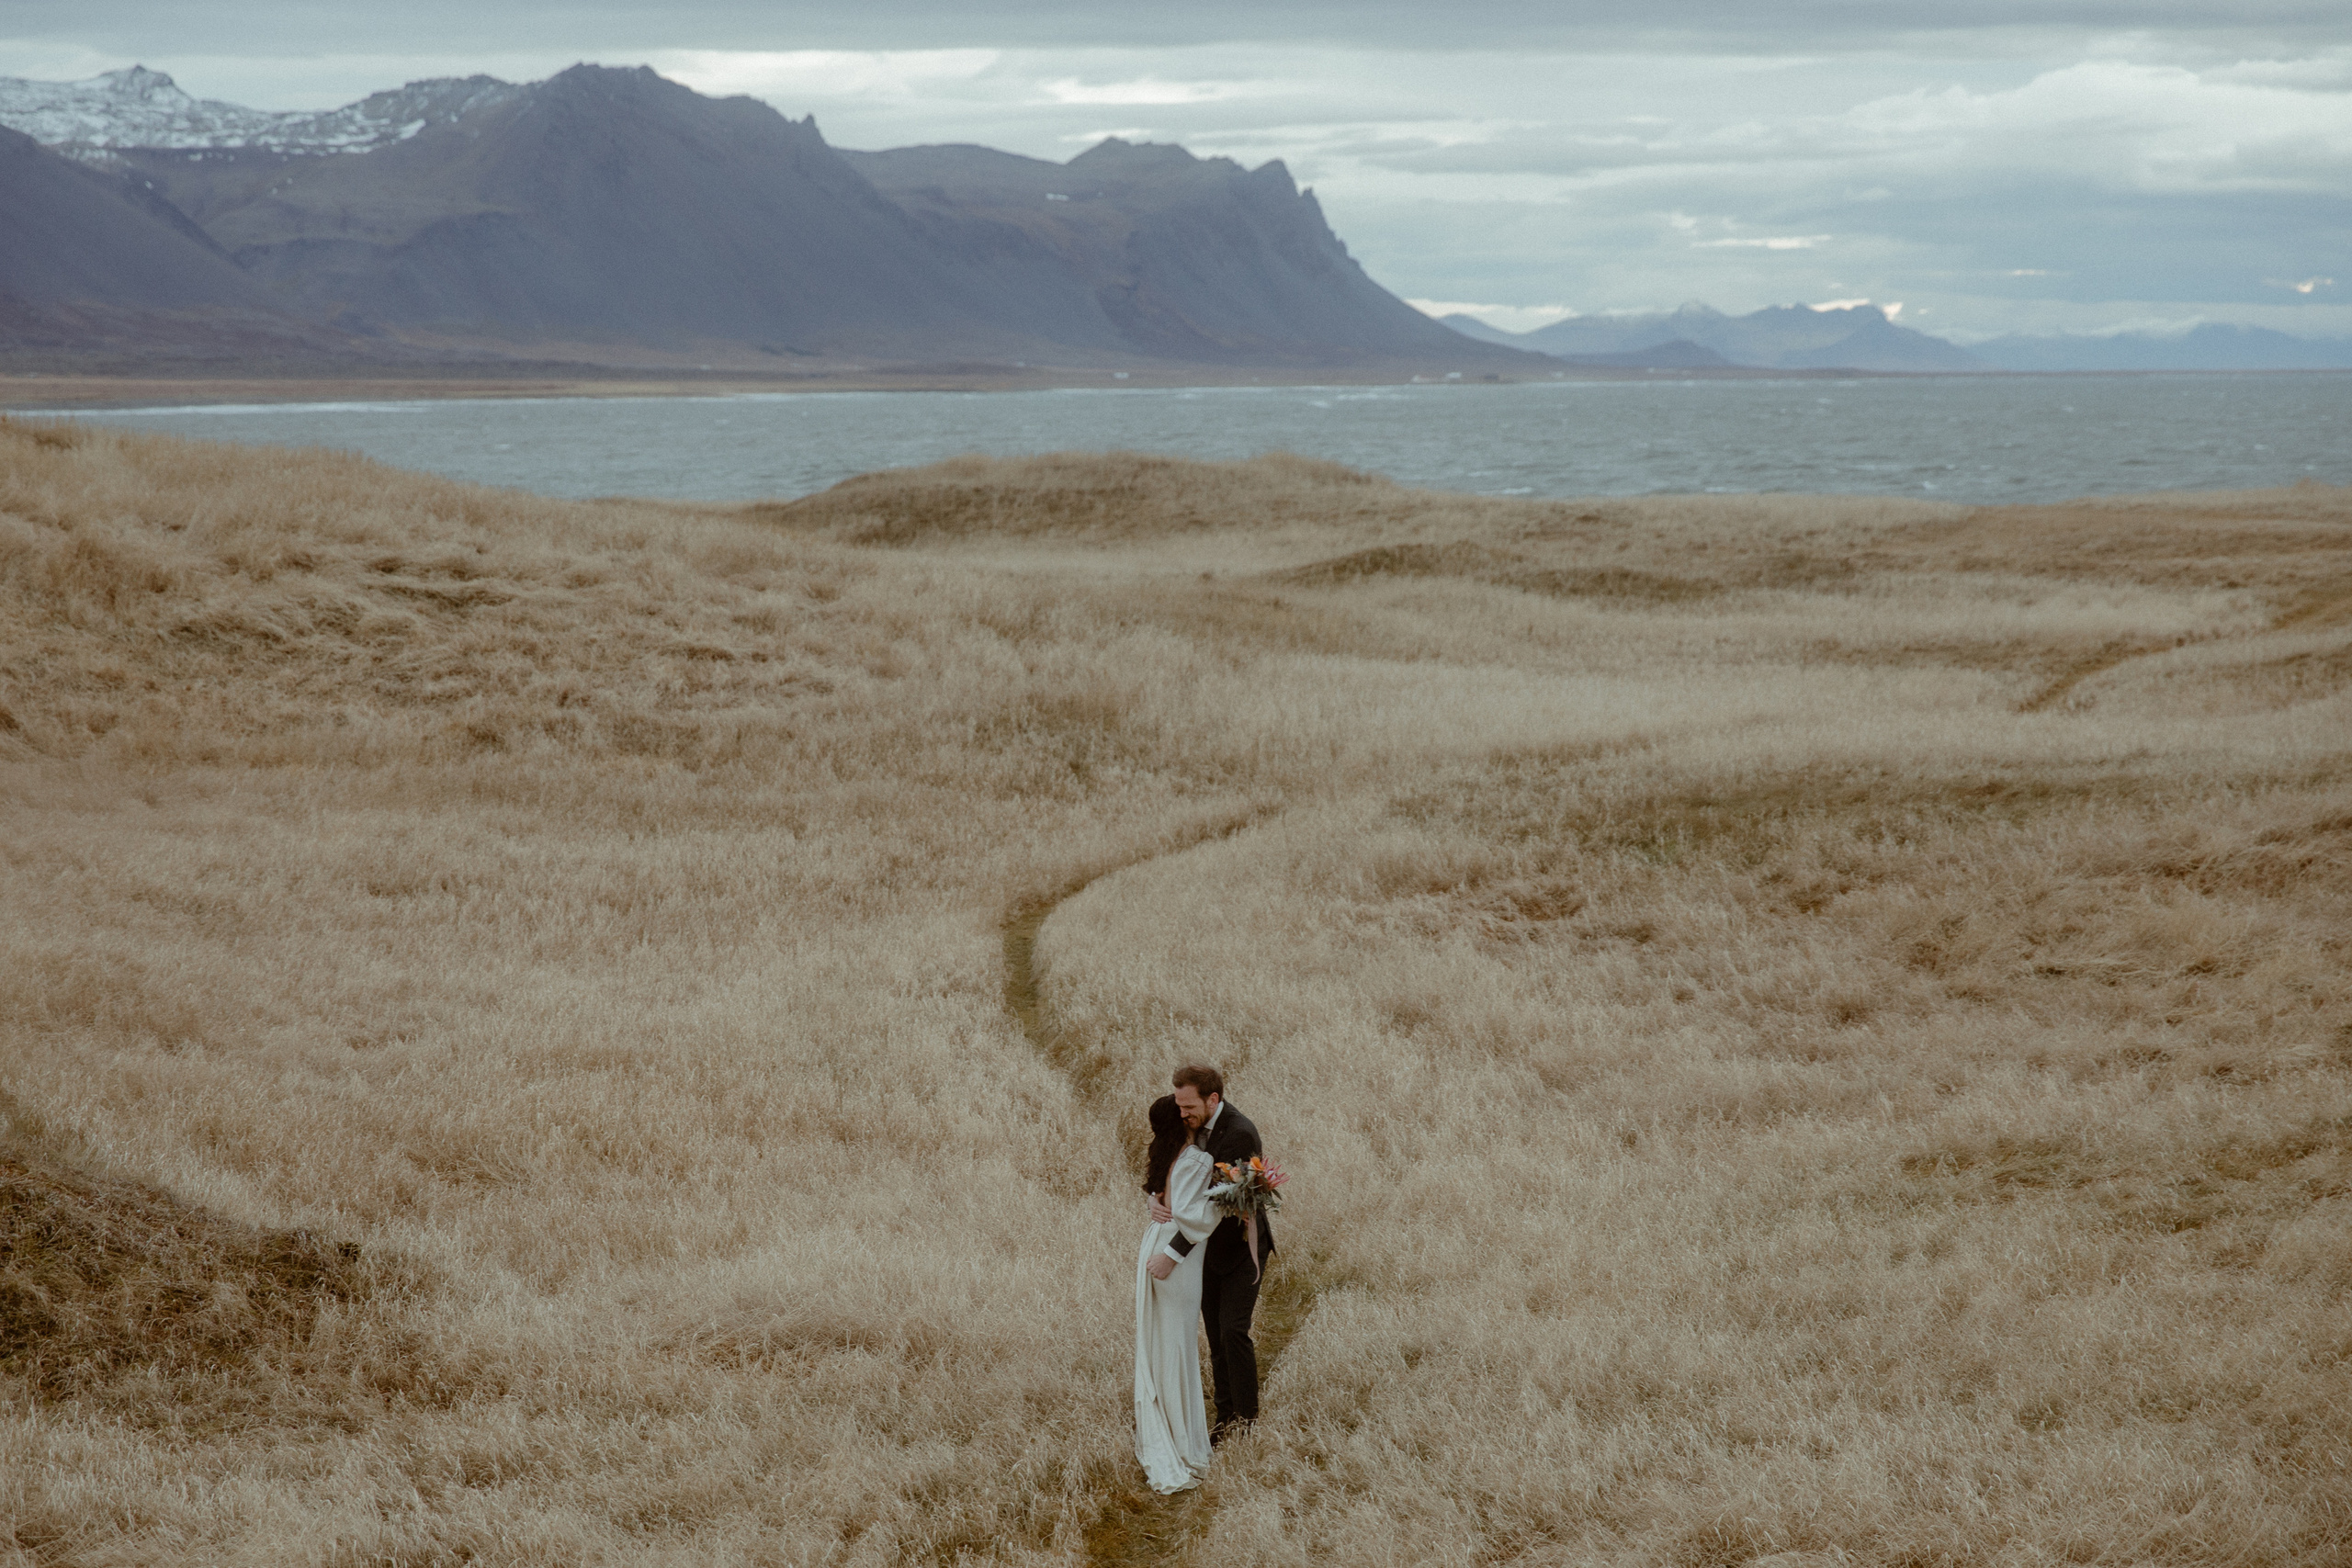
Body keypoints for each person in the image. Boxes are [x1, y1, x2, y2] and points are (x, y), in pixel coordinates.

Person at [1150, 1062, 1276, 1444]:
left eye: (1188, 1107)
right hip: (1205, 1252)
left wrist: (1172, 1253)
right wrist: (1154, 1198)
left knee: (1234, 1330)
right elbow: (1168, 1167)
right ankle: (1225, 1419)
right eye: (1179, 1105)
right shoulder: (1187, 1121)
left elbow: (1213, 1208)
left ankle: (1247, 1422)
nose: (1182, 1114)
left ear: (1213, 1099)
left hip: (1240, 1249)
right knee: (1215, 1336)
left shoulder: (1239, 1134)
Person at [1135, 1094, 1216, 1493]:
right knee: (1177, 1345)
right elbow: (1191, 1215)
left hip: (1154, 1240)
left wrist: (1153, 1200)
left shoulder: (1169, 1156)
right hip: (1175, 1255)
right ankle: (1182, 1442)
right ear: (1181, 1122)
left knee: (1161, 1342)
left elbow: (1162, 1198)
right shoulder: (1196, 1160)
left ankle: (1169, 1427)